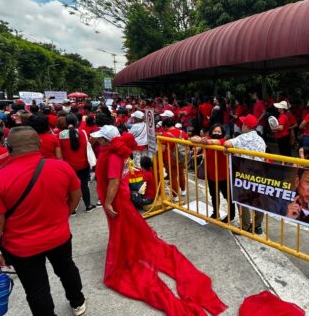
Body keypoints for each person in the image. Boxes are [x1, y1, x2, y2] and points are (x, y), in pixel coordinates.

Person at [92, 125, 227, 316]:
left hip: (117, 198)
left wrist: (106, 202)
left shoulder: (113, 156)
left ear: (106, 140)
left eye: (101, 138)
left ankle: (126, 254)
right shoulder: (116, 151)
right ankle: (129, 249)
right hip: (120, 195)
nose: (98, 141)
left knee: (122, 226)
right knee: (127, 226)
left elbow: (113, 181)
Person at [0, 126, 87, 316]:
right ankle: (77, 302)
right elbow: (76, 195)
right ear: (39, 144)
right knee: (67, 269)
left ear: (8, 148)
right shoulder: (61, 167)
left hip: (22, 247)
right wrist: (64, 215)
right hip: (59, 236)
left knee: (36, 288)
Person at [224, 114, 266, 234]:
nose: (241, 125)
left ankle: (245, 226)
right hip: (259, 172)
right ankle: (257, 226)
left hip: (245, 173)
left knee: (242, 199)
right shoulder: (260, 139)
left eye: (243, 123)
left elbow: (227, 143)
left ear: (246, 125)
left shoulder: (245, 137)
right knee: (257, 199)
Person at [190, 124, 234, 221]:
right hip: (211, 174)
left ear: (222, 133)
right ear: (211, 132)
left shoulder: (223, 141)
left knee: (228, 196)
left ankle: (231, 215)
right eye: (215, 131)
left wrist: (204, 141)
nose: (217, 133)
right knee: (214, 195)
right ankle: (215, 213)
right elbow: (193, 139)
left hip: (224, 175)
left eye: (219, 132)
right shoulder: (206, 139)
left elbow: (213, 141)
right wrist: (201, 140)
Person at [59, 114, 96, 214]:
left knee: (70, 187)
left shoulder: (60, 135)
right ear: (77, 122)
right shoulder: (82, 133)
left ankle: (72, 209)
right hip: (83, 165)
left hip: (69, 166)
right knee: (84, 185)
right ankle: (88, 205)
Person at [161, 118, 188, 202]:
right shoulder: (182, 132)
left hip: (169, 159)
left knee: (172, 177)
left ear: (165, 126)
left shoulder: (165, 135)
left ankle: (175, 196)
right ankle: (183, 190)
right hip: (181, 157)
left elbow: (162, 149)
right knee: (181, 173)